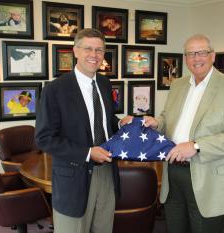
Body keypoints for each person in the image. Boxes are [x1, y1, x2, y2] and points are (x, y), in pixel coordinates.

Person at [144, 34, 224, 233]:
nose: (196, 58)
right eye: (190, 54)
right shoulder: (177, 85)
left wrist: (195, 146)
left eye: (202, 52)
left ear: (212, 55)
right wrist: (156, 122)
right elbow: (167, 117)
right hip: (173, 173)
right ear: (185, 58)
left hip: (210, 176)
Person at [35, 28, 132, 233]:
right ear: (75, 51)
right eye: (88, 48)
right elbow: (44, 138)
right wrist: (88, 152)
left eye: (99, 50)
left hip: (107, 171)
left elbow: (103, 120)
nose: (94, 55)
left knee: (103, 228)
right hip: (74, 175)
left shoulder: (105, 84)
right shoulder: (55, 90)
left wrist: (120, 124)